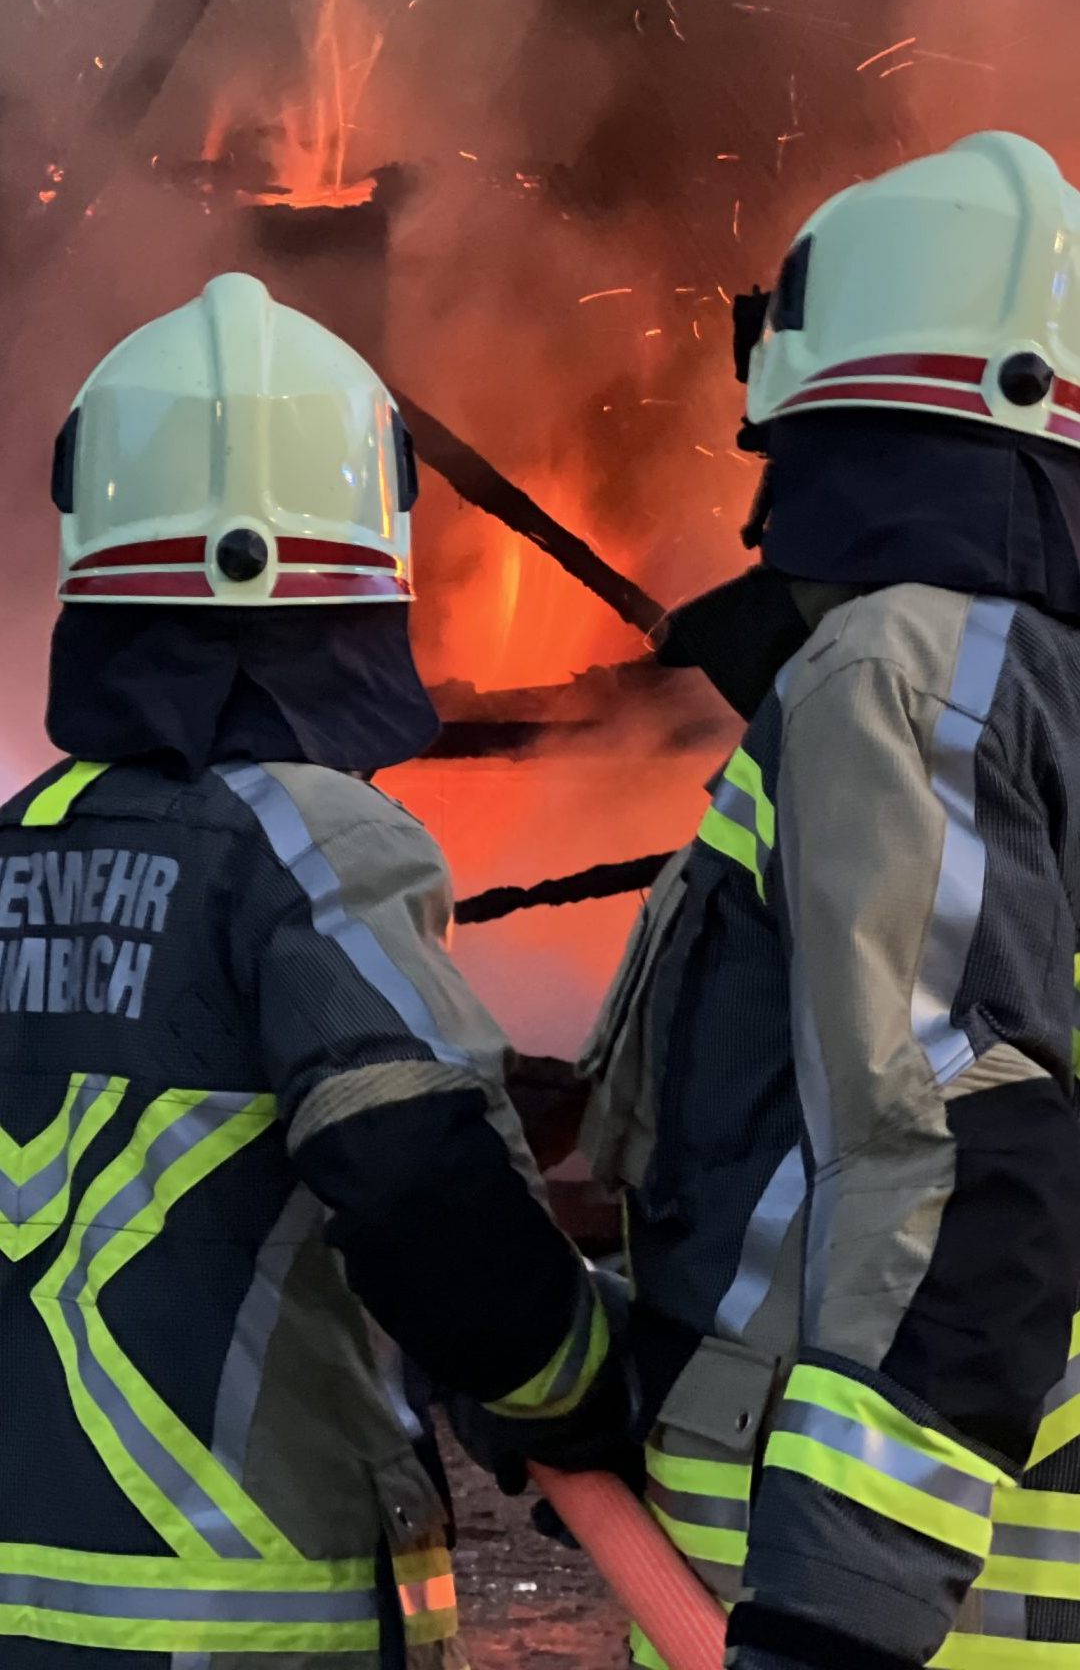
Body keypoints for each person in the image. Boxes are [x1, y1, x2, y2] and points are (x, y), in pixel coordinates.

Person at [0, 272, 628, 1669]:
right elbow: (417, 1176)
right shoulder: (312, 837)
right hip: (242, 1626)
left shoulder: (19, 842)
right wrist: (575, 1381)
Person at [580, 130, 1080, 1668]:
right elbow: (784, 1163)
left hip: (889, 1605)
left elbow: (944, 1141)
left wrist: (834, 1616)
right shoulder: (1023, 682)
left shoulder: (900, 672)